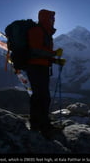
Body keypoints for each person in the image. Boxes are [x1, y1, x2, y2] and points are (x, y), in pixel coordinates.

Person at [26, 9, 65, 137]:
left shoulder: (46, 33)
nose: (53, 20)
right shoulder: (37, 31)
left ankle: (38, 122)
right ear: (45, 19)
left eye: (53, 18)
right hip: (35, 68)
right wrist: (54, 54)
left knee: (40, 96)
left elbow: (42, 54)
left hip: (41, 67)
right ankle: (42, 125)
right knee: (42, 96)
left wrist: (55, 61)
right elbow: (36, 51)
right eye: (51, 18)